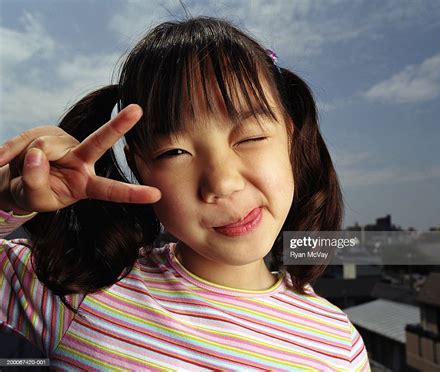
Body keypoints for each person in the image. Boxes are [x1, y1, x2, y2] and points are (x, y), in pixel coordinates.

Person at [0, 16, 370, 370]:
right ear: (138, 166)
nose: (222, 183)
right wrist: (8, 201)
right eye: (174, 153)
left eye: (251, 138)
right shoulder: (81, 290)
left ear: (289, 135)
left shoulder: (338, 344)